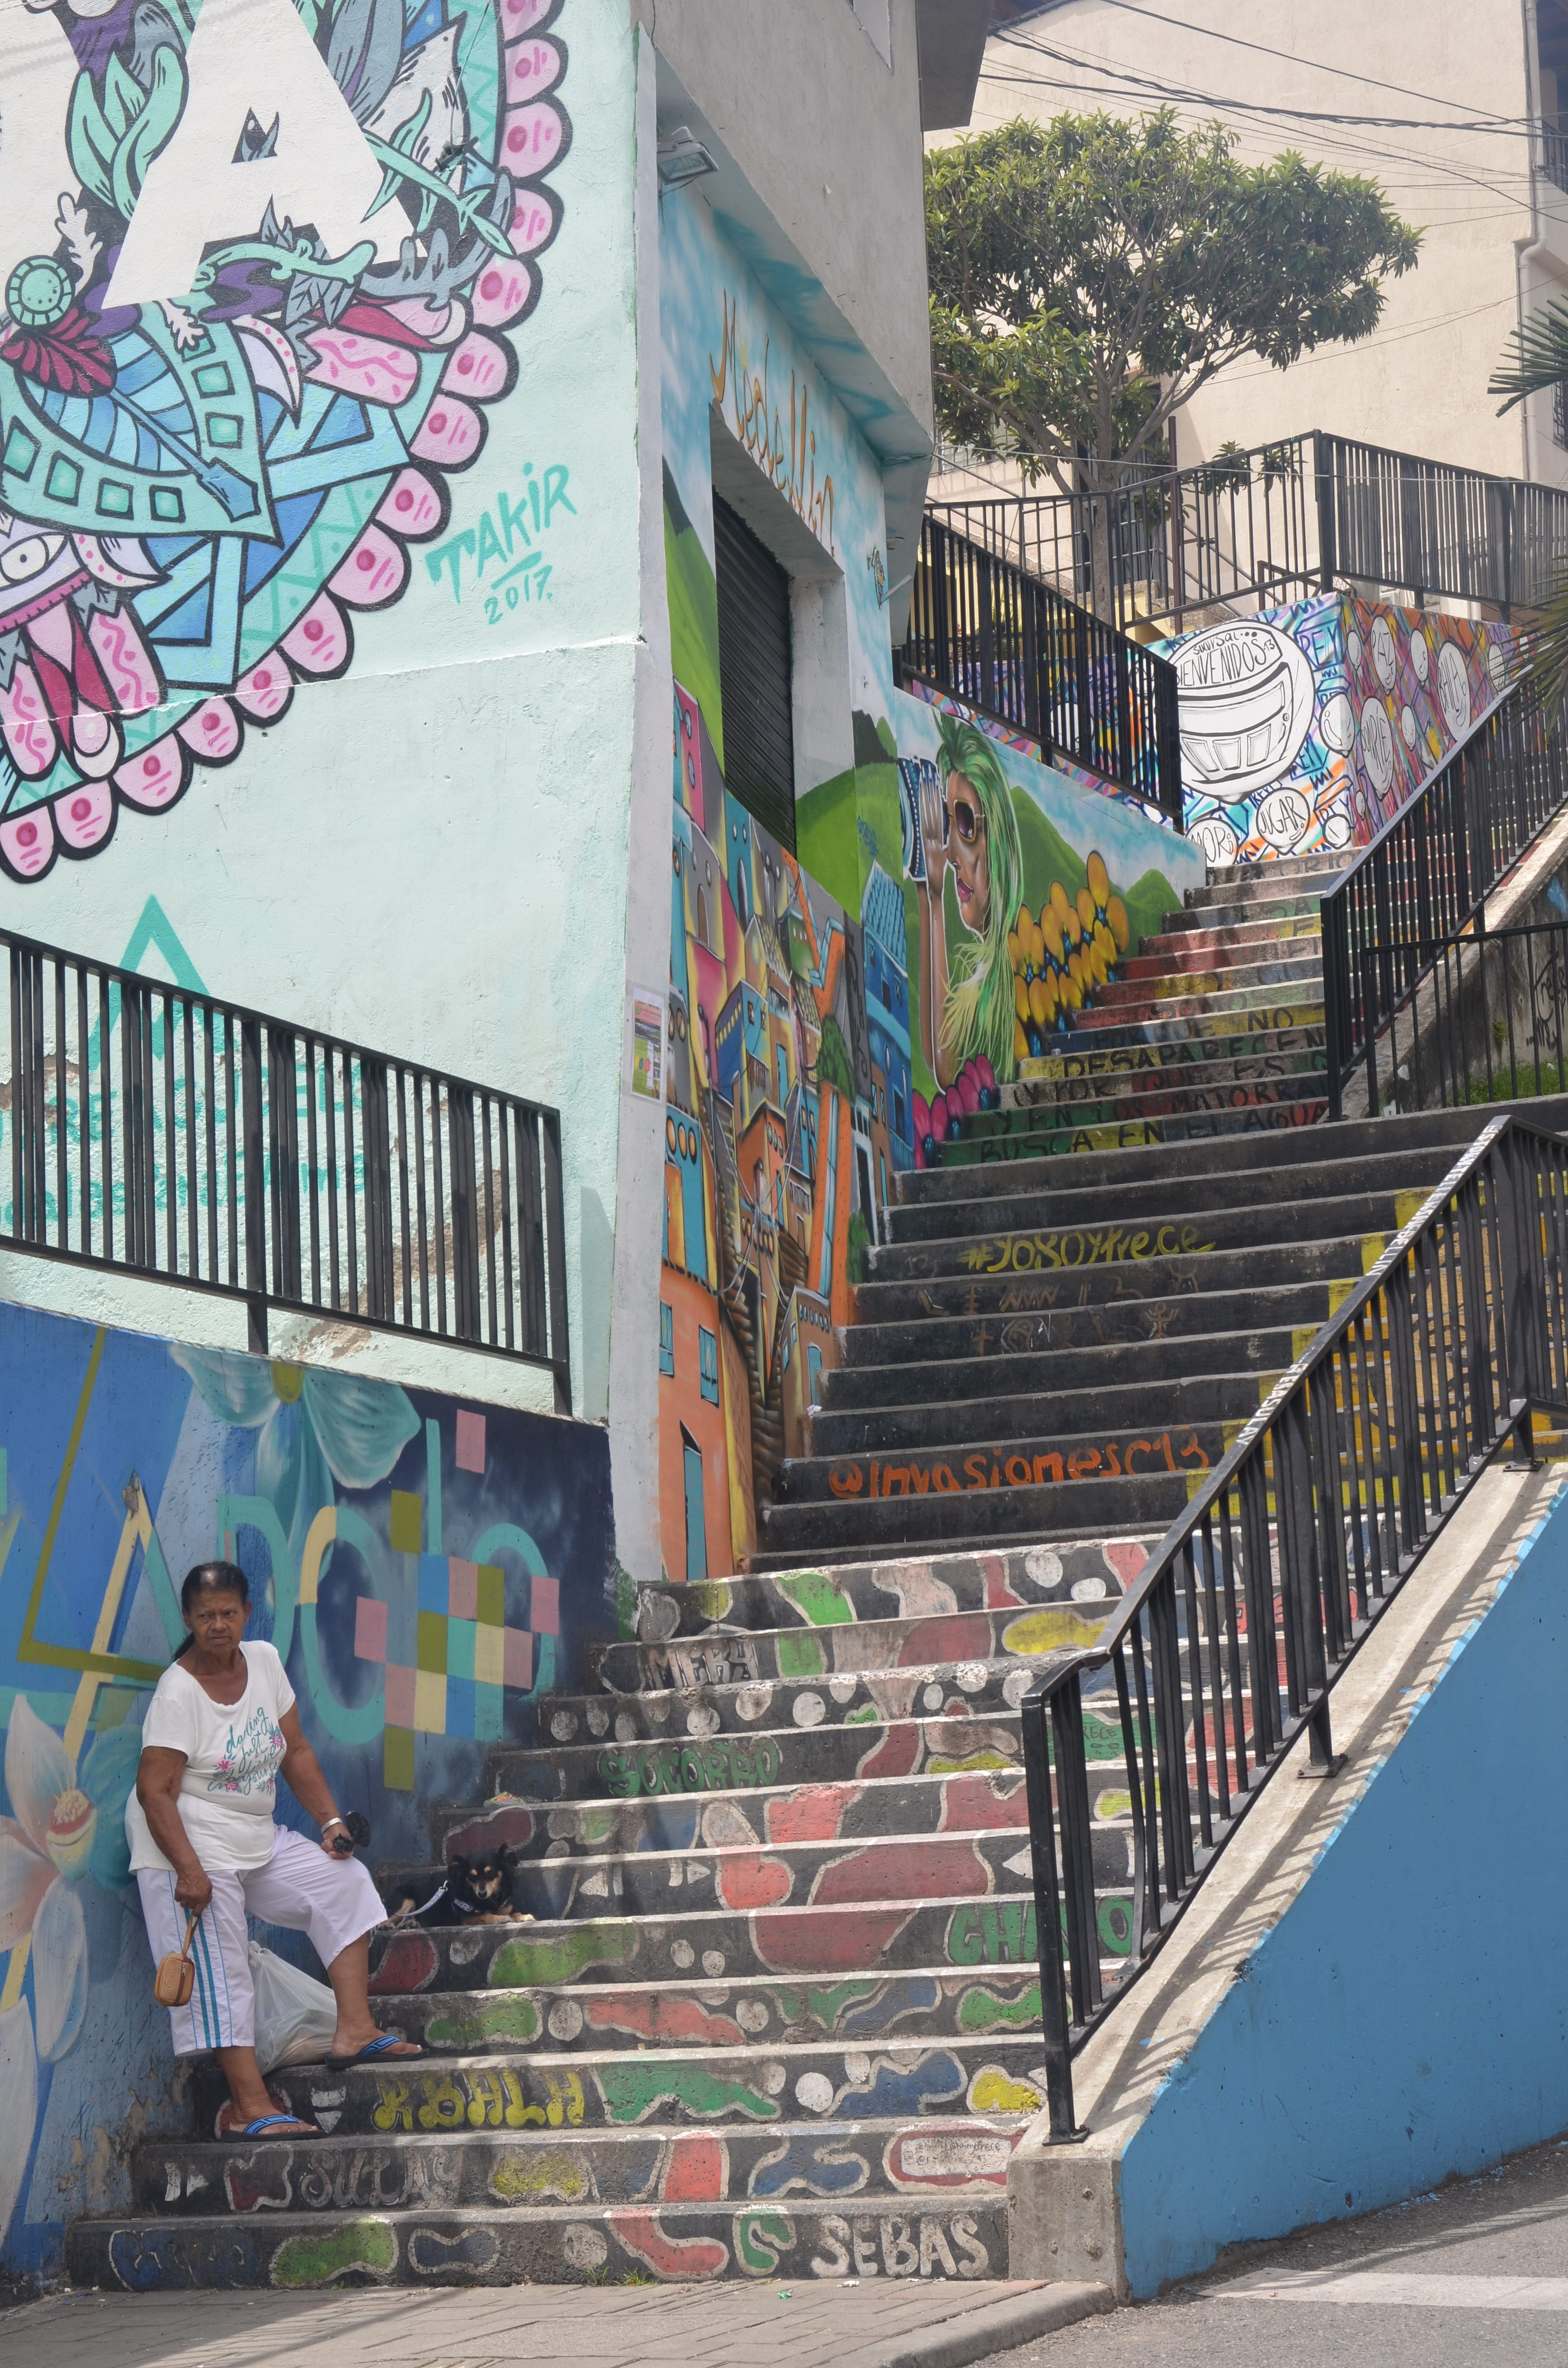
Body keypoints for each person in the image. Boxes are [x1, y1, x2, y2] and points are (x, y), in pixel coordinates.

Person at [128, 1559, 421, 2139]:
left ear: (246, 1613)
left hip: (252, 1834)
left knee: (343, 1882)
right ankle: (250, 2106)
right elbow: (153, 1790)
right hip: (184, 1842)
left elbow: (296, 1749)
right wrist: (189, 1870)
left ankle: (355, 2030)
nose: (217, 1625)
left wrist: (330, 1822)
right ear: (188, 1618)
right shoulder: (178, 1691)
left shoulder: (262, 1660)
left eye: (228, 1612)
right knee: (222, 1968)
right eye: (205, 1615)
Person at [915, 714, 1024, 1086]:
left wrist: (934, 900)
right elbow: (934, 1054)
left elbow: (947, 1066)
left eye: (964, 823)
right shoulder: (992, 966)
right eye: (948, 825)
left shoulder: (1007, 962)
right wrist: (929, 895)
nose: (950, 854)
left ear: (997, 838)